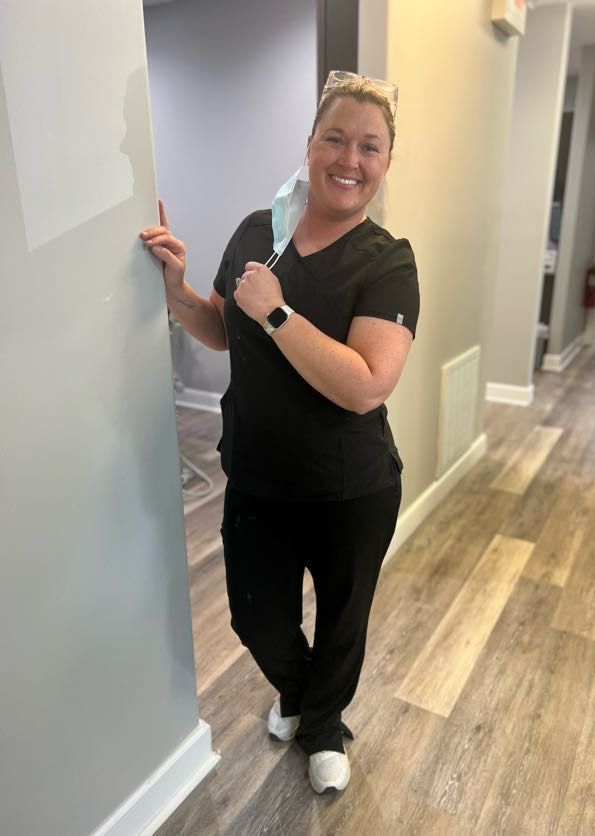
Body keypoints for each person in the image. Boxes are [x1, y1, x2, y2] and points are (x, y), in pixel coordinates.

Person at [140, 70, 419, 794]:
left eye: (369, 146)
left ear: (385, 162)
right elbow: (221, 329)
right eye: (334, 138)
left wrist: (277, 313)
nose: (348, 160)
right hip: (257, 474)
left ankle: (322, 724)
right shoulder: (254, 234)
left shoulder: (388, 261)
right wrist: (175, 292)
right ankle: (297, 694)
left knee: (340, 622)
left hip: (349, 486)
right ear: (309, 145)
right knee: (254, 618)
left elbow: (366, 383)